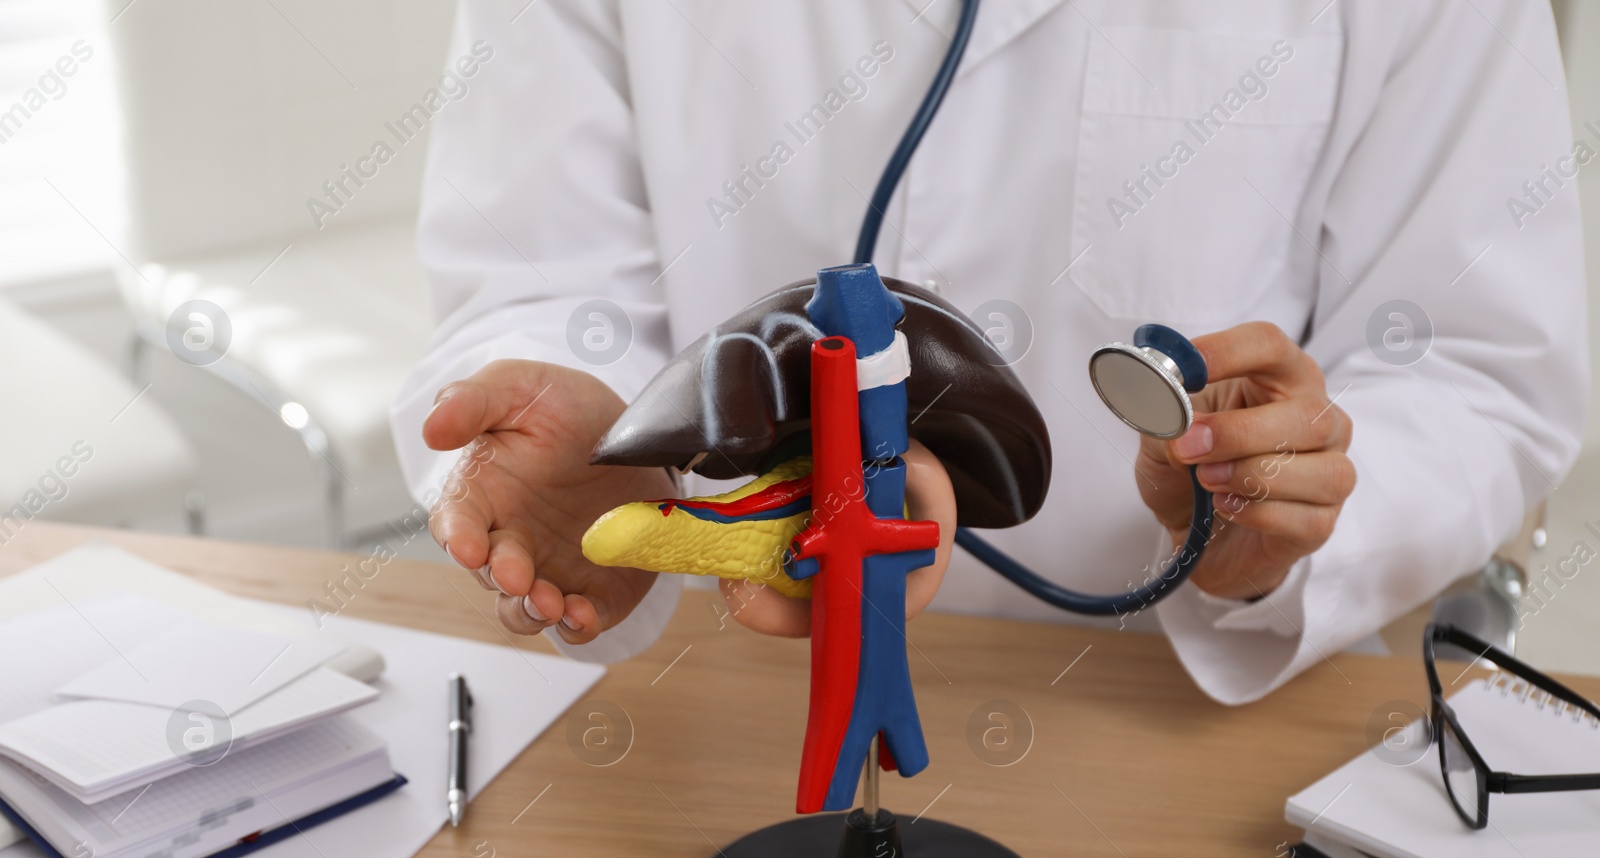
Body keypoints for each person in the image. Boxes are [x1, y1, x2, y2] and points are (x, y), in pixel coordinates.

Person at [391, 0, 1588, 704]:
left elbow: (1478, 361)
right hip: (730, 682)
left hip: (1152, 709)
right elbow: (535, 278)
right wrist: (594, 451)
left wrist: (1268, 533)